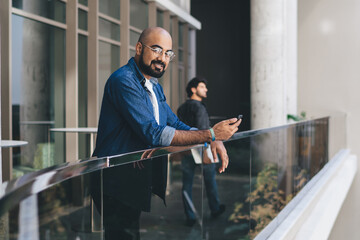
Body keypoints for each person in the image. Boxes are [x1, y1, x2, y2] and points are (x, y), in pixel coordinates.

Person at [92, 27, 241, 240]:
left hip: (133, 178)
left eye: (168, 53)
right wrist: (210, 135)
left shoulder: (155, 87)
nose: (162, 58)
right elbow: (153, 133)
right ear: (139, 48)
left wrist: (211, 139)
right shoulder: (123, 80)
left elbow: (175, 123)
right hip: (114, 181)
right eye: (156, 50)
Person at [177, 77, 225, 227]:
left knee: (187, 183)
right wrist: (209, 149)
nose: (206, 89)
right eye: (202, 87)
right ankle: (215, 208)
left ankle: (190, 215)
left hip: (186, 149)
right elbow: (205, 130)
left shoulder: (181, 108)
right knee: (210, 180)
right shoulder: (200, 107)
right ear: (193, 89)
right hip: (201, 148)